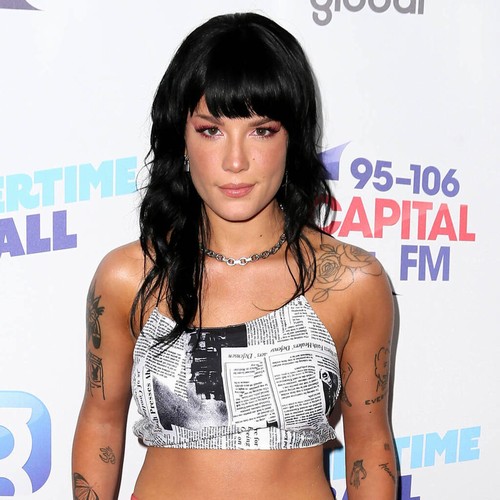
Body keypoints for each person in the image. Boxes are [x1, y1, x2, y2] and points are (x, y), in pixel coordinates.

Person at [72, 12, 397, 500]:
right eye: (211, 130)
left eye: (262, 130)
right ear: (181, 137)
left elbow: (370, 446)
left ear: (293, 137)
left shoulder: (352, 281)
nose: (236, 161)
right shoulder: (128, 277)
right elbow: (101, 422)